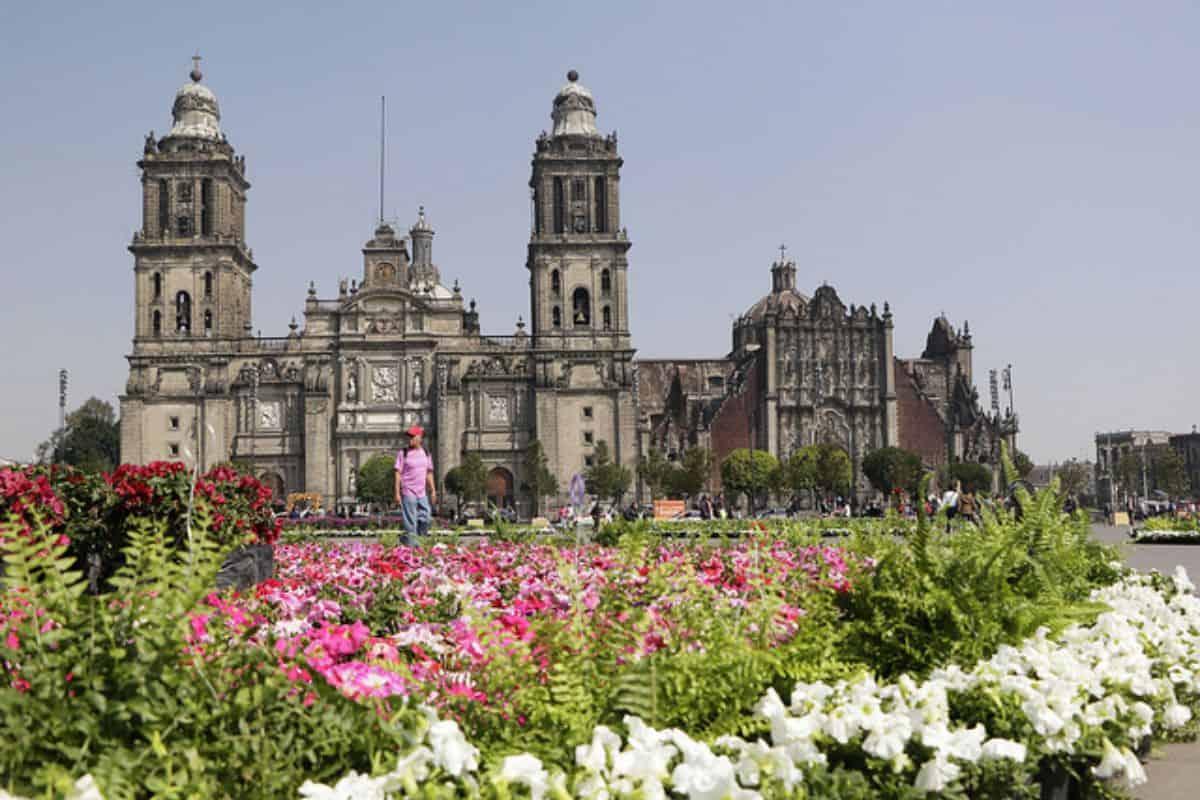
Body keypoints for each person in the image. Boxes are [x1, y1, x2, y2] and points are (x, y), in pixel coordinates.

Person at [394, 425, 437, 546]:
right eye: (408, 436)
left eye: (412, 436)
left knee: (426, 518)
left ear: (420, 437)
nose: (410, 439)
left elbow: (429, 472)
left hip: (422, 492)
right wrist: (397, 493)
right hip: (408, 491)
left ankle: (409, 539)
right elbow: (397, 473)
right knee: (411, 522)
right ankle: (414, 549)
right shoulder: (403, 453)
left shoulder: (426, 453)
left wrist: (433, 490)